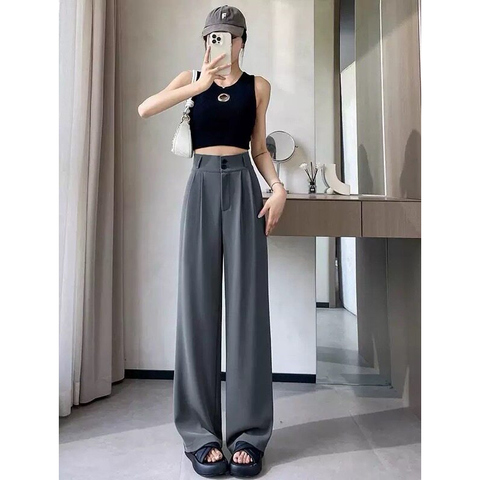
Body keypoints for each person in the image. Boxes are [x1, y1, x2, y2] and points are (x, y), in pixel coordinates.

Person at [138, 5, 287, 477]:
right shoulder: (191, 79)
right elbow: (146, 108)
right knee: (197, 308)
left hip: (244, 187)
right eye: (211, 36)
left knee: (247, 310)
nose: (218, 43)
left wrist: (278, 188)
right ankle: (199, 434)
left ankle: (249, 434)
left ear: (242, 41)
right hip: (201, 186)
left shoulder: (258, 87)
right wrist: (198, 85)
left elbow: (259, 147)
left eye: (227, 36)